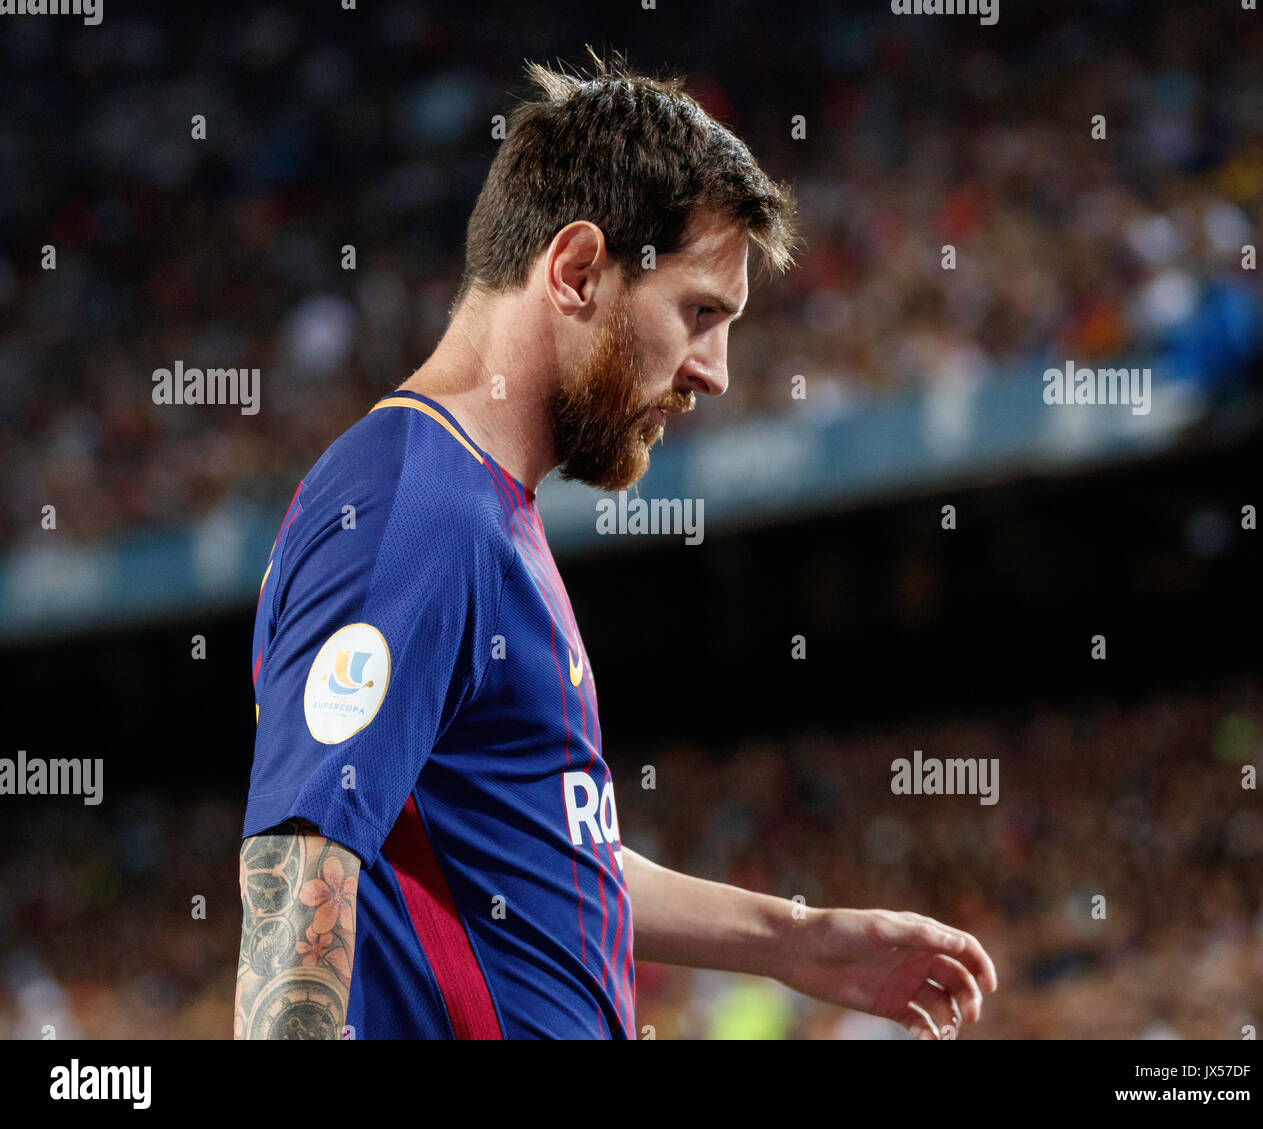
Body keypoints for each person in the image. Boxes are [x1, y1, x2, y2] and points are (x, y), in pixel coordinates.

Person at [235, 49, 996, 1040]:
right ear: (578, 269)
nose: (714, 372)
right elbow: (300, 864)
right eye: (699, 312)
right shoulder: (414, 508)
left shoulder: (479, 504)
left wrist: (791, 939)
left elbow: (530, 857)